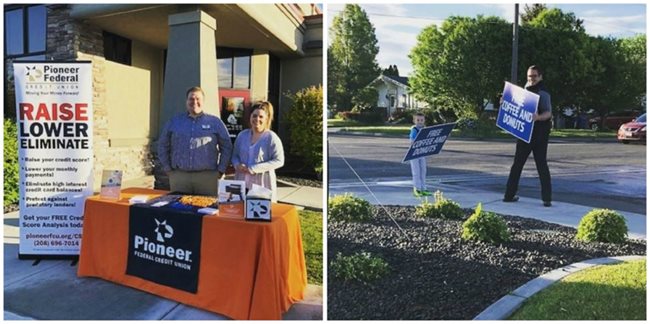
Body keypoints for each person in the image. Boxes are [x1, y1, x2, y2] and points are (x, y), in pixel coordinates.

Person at [158, 86, 232, 196]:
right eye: (191, 99)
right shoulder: (174, 122)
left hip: (207, 178)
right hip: (179, 177)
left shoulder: (215, 122)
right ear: (186, 101)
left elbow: (227, 146)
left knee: (207, 210)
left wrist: (221, 169)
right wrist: (167, 168)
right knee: (178, 210)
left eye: (198, 99)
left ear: (203, 101)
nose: (194, 102)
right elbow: (163, 145)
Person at [503, 65, 553, 207]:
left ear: (540, 77)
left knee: (541, 165)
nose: (531, 79)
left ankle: (547, 198)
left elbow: (548, 113)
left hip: (540, 133)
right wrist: (505, 103)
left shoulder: (543, 93)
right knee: (517, 164)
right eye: (529, 76)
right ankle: (509, 195)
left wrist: (538, 117)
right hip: (525, 132)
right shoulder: (524, 89)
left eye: (534, 76)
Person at [232, 101, 284, 202]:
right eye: (254, 116)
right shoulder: (242, 135)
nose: (257, 119)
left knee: (258, 216)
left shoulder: (271, 138)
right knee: (239, 213)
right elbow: (234, 155)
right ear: (250, 117)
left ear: (267, 119)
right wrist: (237, 164)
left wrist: (254, 168)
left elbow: (279, 160)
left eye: (261, 117)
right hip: (242, 183)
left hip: (262, 185)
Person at [409, 112, 431, 197]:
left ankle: (423, 188)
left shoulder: (425, 130)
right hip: (414, 153)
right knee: (416, 172)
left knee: (423, 171)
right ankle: (417, 189)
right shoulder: (414, 129)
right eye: (418, 120)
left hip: (422, 152)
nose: (420, 121)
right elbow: (411, 140)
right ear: (414, 121)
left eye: (421, 120)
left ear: (424, 120)